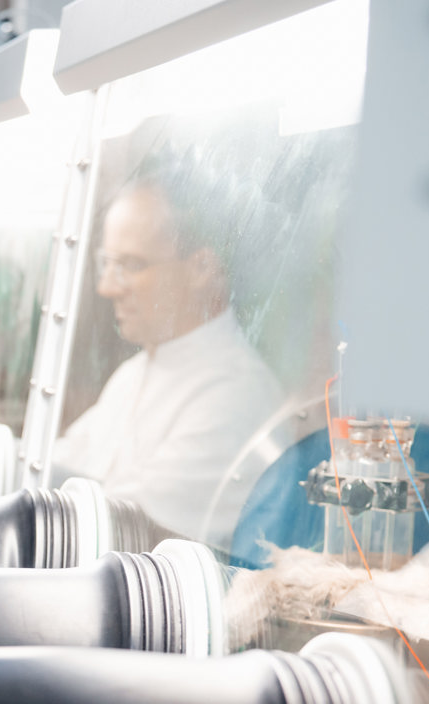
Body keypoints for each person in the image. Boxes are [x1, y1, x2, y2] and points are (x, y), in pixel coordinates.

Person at [50, 159, 286, 543]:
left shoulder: (235, 397)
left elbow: (112, 531)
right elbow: (56, 467)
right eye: (106, 264)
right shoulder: (132, 375)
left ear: (202, 268)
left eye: (130, 265)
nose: (107, 287)